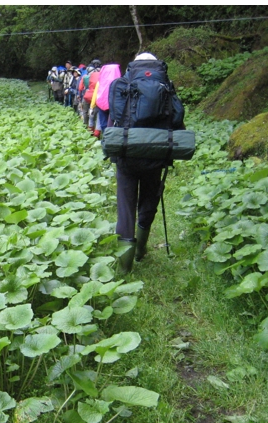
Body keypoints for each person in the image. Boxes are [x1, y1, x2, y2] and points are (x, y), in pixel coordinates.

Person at [107, 53, 185, 274]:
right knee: (149, 199)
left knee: (126, 206)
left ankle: (124, 267)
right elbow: (177, 117)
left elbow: (114, 114)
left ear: (133, 65)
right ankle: (141, 250)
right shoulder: (166, 84)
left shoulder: (121, 84)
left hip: (127, 154)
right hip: (156, 154)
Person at [93, 63, 121, 138]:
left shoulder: (101, 81)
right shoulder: (119, 81)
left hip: (101, 103)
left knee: (103, 124)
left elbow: (96, 92)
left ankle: (105, 139)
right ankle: (112, 140)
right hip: (115, 105)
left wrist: (92, 106)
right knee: (113, 124)